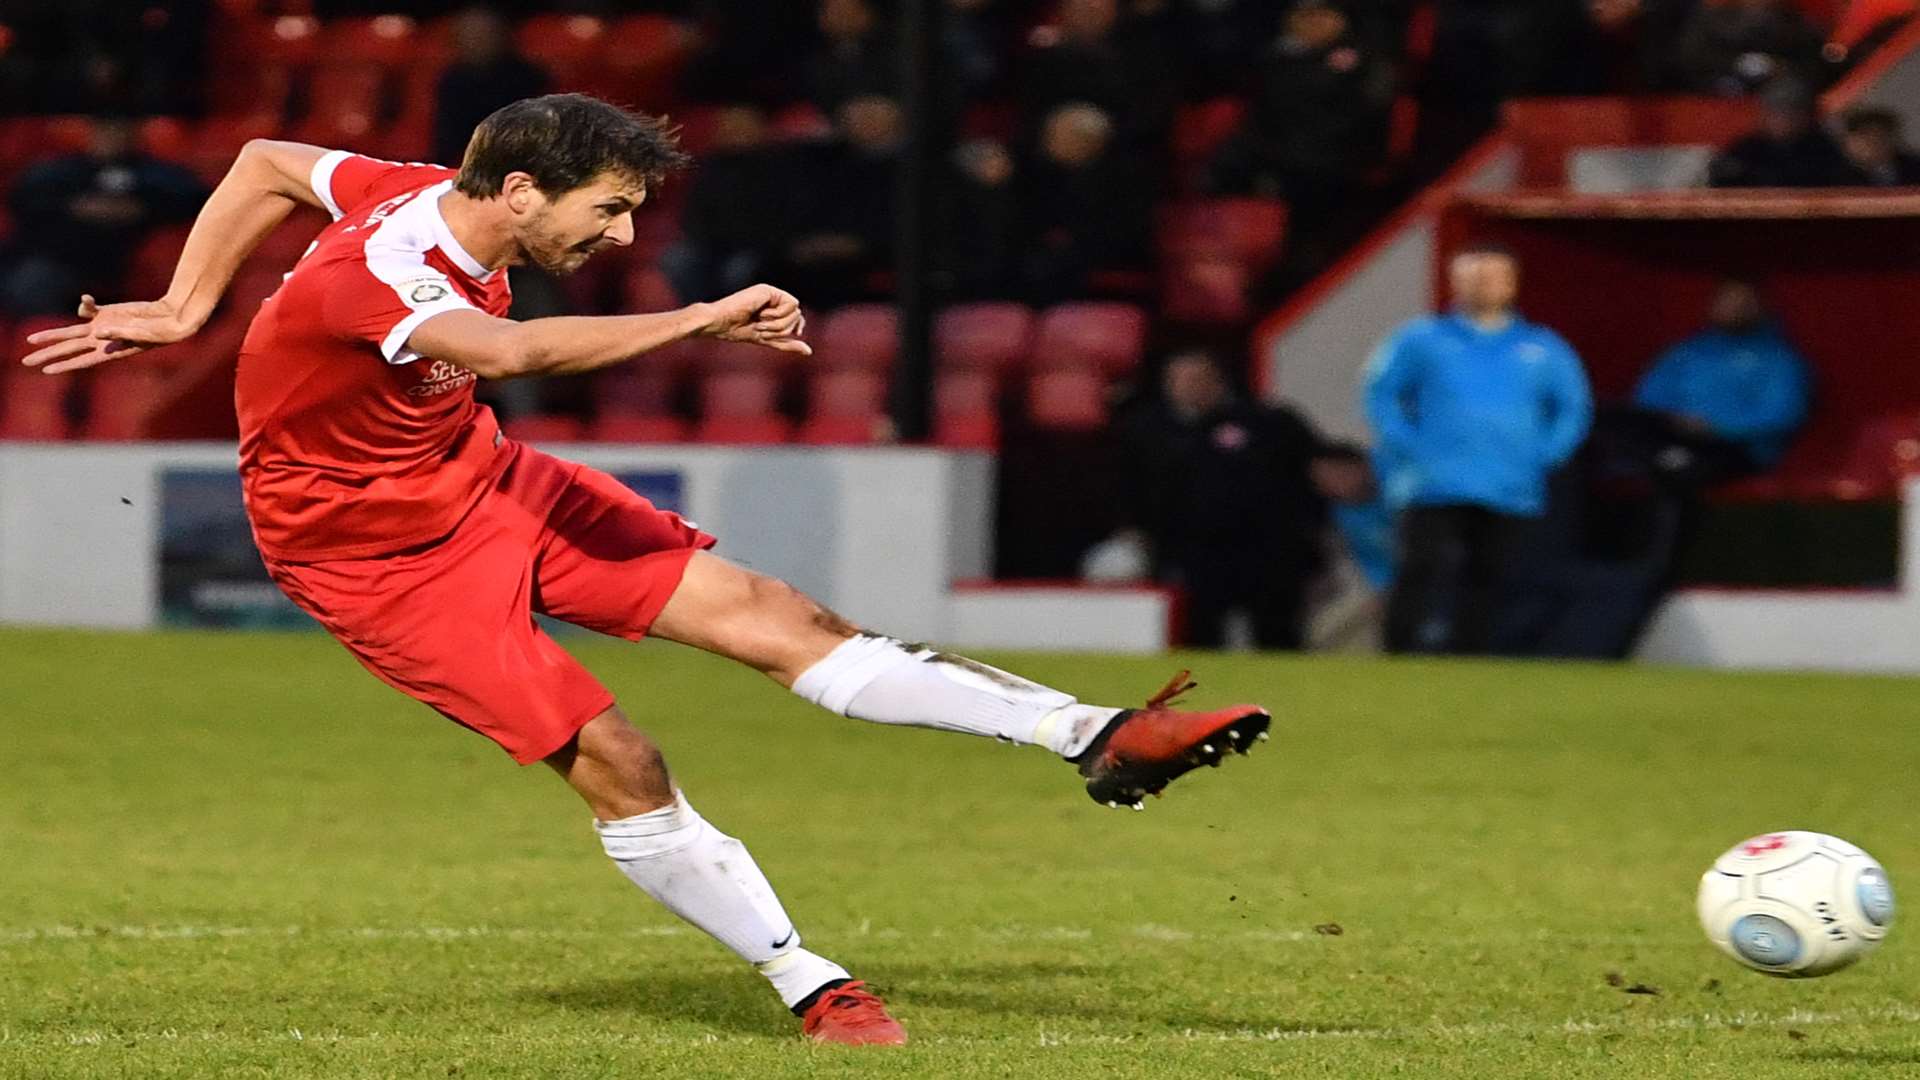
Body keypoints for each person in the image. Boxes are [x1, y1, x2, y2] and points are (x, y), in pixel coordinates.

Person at [19, 93, 1272, 1047]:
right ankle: (811, 983)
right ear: (518, 190)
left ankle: (1098, 736)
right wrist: (695, 317)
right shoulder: (382, 270)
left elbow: (265, 164)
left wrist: (187, 305)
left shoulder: (408, 188)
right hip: (373, 557)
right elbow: (510, 351)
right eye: (607, 209)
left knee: (779, 616)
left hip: (485, 483)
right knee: (622, 760)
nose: (620, 232)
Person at [1362, 245, 1592, 654]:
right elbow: (1381, 392)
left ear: (1511, 283)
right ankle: (1399, 652)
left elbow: (1572, 406)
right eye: (1473, 276)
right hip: (1433, 481)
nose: (1483, 285)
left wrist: (1546, 453)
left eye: (1492, 276)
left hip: (1509, 484)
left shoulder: (1543, 347)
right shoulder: (1421, 339)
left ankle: (1474, 656)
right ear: (1456, 283)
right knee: (1422, 565)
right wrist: (1407, 442)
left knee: (1494, 573)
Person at [1113, 350, 1329, 649]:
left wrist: (1309, 528)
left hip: (1266, 549)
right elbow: (1129, 483)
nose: (1185, 387)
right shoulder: (1147, 429)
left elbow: (1313, 474)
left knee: (1276, 633)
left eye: (1195, 379)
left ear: (1218, 380)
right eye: (1177, 380)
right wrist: (1136, 527)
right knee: (1198, 635)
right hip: (1189, 550)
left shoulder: (1268, 421)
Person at [2, 115, 207, 316]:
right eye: (104, 129)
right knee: (31, 278)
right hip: (60, 257)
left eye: (119, 130)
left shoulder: (159, 173)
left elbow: (195, 201)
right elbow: (24, 200)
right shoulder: (60, 172)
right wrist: (75, 206)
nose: (111, 136)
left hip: (125, 260)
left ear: (135, 133)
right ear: (90, 132)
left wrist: (141, 208)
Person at [1630, 279, 1811, 482]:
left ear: (1760, 307)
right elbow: (1648, 398)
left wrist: (1716, 428)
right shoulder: (1688, 352)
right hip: (1676, 439)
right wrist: (1672, 421)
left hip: (1740, 449)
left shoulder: (1778, 359)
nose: (1733, 307)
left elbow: (1782, 413)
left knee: (1677, 467)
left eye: (1742, 301)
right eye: (1726, 300)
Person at [431, 7, 551, 169]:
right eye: (470, 36)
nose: (476, 42)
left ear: (501, 36)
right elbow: (447, 140)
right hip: (462, 163)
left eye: (483, 35)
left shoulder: (528, 78)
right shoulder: (450, 80)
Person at [1706, 78, 1854, 188]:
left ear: (1806, 117)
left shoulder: (1824, 150)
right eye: (1776, 113)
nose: (1783, 120)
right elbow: (1724, 183)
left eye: (1791, 113)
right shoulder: (1746, 148)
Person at [1838, 106, 1920, 187]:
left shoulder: (1914, 167)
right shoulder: (1836, 174)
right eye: (1865, 137)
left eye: (1880, 136)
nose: (1873, 143)